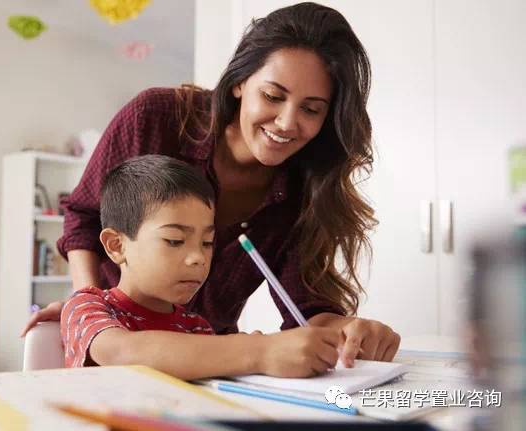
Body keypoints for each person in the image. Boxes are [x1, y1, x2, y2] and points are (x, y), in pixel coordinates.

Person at [23, 2, 400, 368]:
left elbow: (306, 312)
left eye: (311, 109)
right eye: (272, 96)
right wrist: (87, 300)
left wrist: (347, 330)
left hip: (209, 365)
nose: (287, 122)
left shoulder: (306, 188)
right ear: (239, 82)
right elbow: (85, 216)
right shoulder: (155, 117)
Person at [61, 154, 341, 379]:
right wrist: (259, 351)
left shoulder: (195, 327)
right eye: (174, 240)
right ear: (116, 245)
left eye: (207, 242)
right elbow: (123, 353)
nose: (198, 257)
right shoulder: (88, 306)